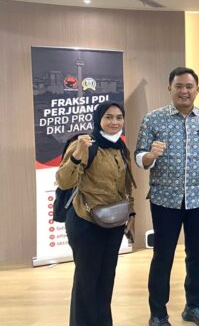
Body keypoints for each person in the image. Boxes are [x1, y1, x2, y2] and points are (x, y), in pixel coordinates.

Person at [136, 67, 199, 326]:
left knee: (197, 255)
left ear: (197, 90)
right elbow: (139, 156)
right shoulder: (153, 119)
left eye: (189, 86)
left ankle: (194, 307)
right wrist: (150, 156)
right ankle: (158, 313)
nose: (184, 91)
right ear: (170, 89)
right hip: (165, 200)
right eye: (179, 86)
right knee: (162, 256)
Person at [56, 101, 136, 326]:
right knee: (86, 281)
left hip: (114, 222)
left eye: (119, 117)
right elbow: (63, 181)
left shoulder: (121, 147)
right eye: (108, 117)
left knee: (106, 279)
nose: (114, 122)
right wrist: (77, 154)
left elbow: (126, 185)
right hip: (85, 221)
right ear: (98, 119)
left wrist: (131, 214)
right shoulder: (84, 144)